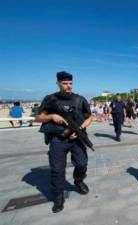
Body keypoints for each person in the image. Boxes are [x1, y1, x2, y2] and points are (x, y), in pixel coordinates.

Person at [35, 71, 92, 213]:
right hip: (58, 139)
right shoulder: (50, 99)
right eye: (65, 83)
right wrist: (52, 116)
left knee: (82, 163)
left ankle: (78, 180)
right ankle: (59, 195)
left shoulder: (80, 99)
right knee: (57, 169)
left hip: (76, 138)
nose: (68, 86)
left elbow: (89, 117)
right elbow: (38, 117)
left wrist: (79, 128)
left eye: (70, 83)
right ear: (58, 83)